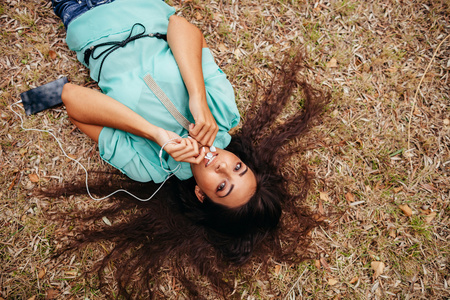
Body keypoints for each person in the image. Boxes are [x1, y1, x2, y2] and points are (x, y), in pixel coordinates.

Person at [48, 0, 330, 298]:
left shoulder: (150, 167)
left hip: (81, 15)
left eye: (222, 186)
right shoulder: (223, 114)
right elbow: (178, 25)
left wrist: (154, 134)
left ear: (200, 194)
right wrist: (198, 98)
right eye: (238, 168)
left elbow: (70, 97)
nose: (223, 166)